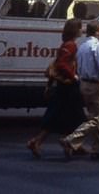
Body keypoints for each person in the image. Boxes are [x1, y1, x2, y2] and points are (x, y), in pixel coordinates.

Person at [60, 20, 99, 160]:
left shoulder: (82, 46)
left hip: (83, 83)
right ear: (97, 30)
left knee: (97, 117)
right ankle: (71, 139)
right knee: (95, 118)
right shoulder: (97, 46)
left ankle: (98, 149)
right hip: (94, 85)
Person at [26, 18, 87, 158]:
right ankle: (72, 144)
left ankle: (40, 142)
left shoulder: (66, 44)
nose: (82, 30)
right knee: (76, 116)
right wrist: (74, 76)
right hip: (68, 87)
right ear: (75, 30)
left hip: (63, 86)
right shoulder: (71, 45)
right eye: (80, 27)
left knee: (60, 116)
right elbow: (61, 64)